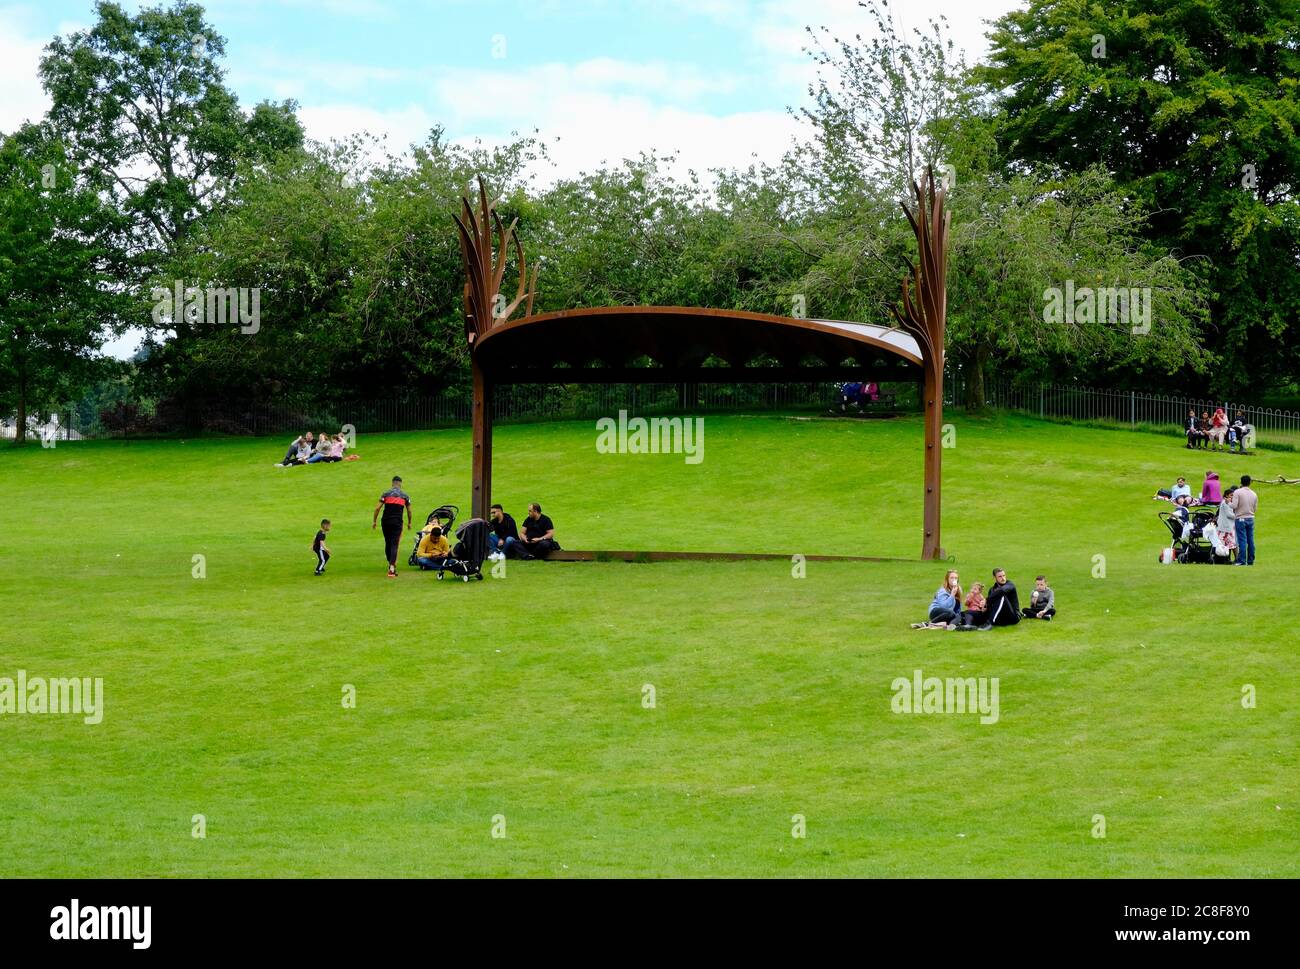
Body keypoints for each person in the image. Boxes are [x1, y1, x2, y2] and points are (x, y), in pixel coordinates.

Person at [372, 475, 413, 577]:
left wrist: (374, 521)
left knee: (388, 542)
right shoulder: (405, 496)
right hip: (397, 522)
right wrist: (409, 522)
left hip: (385, 521)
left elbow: (377, 508)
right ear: (400, 484)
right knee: (395, 544)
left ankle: (390, 562)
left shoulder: (386, 494)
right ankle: (392, 568)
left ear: (392, 483)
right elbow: (409, 511)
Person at [1230, 475, 1258, 566]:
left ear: (1241, 482)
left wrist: (1228, 503)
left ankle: (1241, 560)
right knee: (1250, 540)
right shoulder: (1254, 494)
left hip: (1240, 518)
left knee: (1242, 540)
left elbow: (1234, 506)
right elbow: (1255, 509)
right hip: (1250, 518)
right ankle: (1250, 560)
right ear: (1249, 482)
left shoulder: (1237, 492)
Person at [1217, 486, 1238, 554]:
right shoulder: (1225, 502)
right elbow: (1229, 514)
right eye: (1231, 495)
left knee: (1228, 545)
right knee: (1231, 544)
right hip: (1226, 527)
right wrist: (1238, 516)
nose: (1232, 497)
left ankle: (1229, 558)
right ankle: (1236, 559)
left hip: (1226, 527)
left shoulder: (1226, 502)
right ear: (1226, 495)